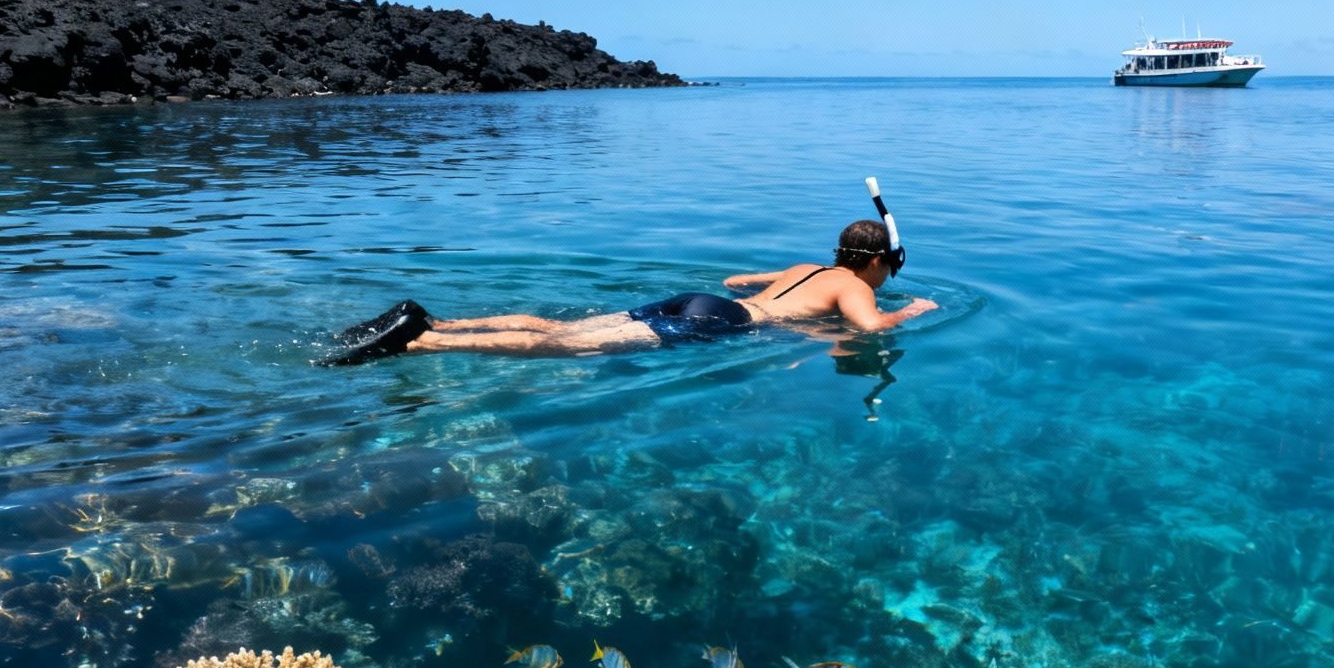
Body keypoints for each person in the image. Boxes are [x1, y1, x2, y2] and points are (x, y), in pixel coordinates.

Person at [317, 219, 937, 364]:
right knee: (569, 347)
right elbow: (868, 328)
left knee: (561, 325)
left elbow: (736, 281)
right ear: (878, 260)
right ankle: (420, 345)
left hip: (699, 299)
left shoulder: (809, 266)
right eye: (890, 269)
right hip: (720, 324)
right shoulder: (855, 286)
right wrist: (911, 310)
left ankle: (436, 321)